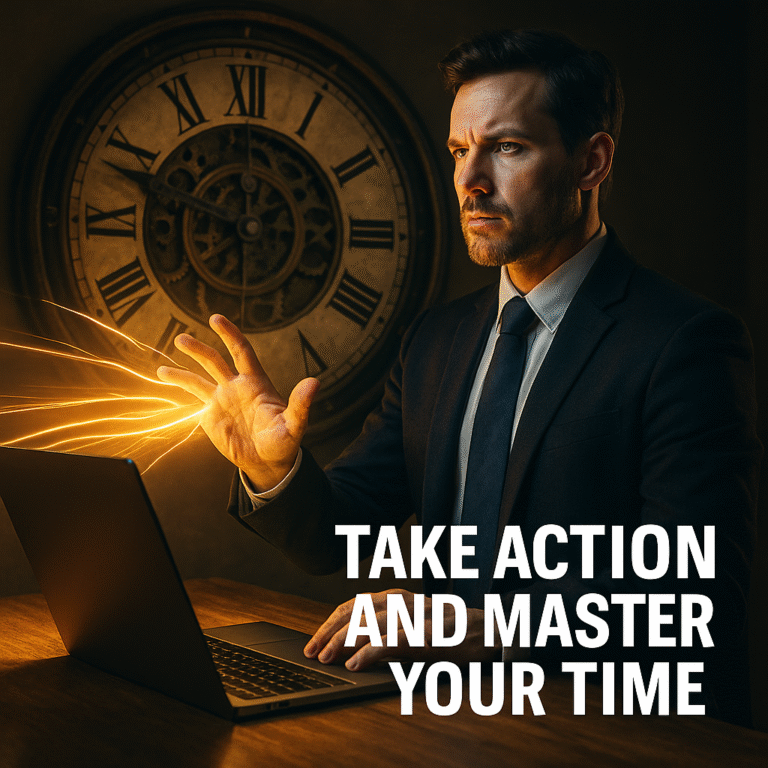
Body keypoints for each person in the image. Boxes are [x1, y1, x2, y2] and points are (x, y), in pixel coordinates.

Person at [157, 29, 761, 725]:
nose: (471, 181)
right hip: (453, 723)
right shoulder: (436, 341)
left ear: (591, 162)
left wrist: (484, 629)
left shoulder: (686, 342)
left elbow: (696, 599)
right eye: (459, 151)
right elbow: (339, 535)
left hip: (613, 731)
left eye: (508, 148)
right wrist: (274, 471)